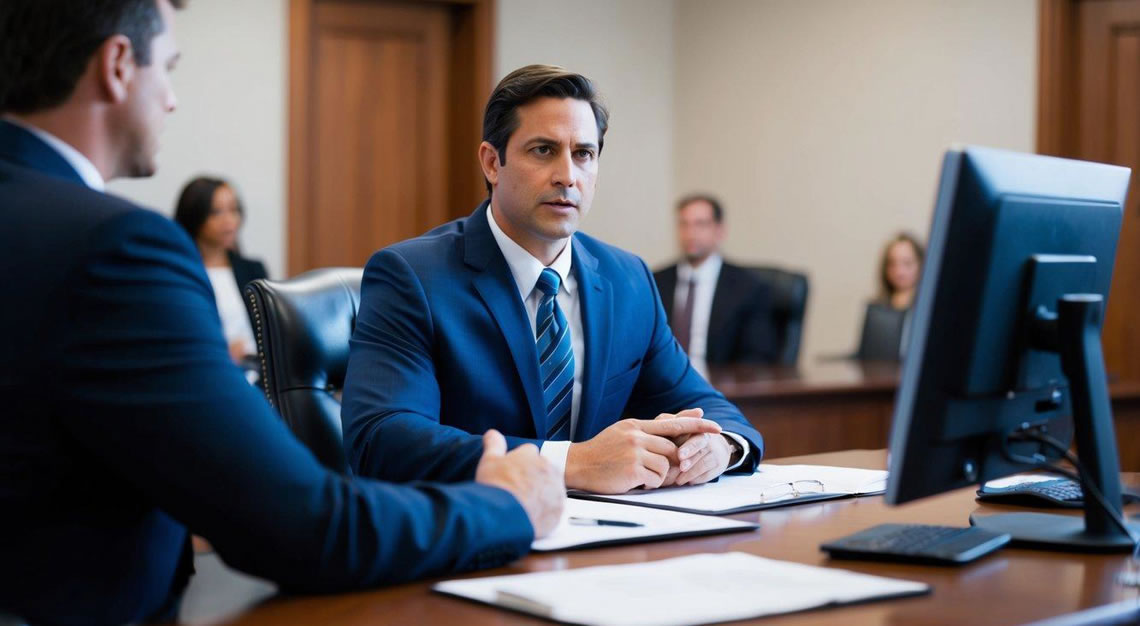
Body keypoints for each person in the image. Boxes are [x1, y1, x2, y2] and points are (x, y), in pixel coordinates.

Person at [0, 2, 563, 624]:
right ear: (117, 65)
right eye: (170, 68)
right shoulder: (114, 248)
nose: (171, 101)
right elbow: (301, 526)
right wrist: (505, 503)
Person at [341, 65, 764, 497]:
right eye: (543, 150)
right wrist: (571, 462)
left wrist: (721, 446)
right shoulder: (412, 275)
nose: (567, 175)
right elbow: (382, 440)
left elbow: (710, 407)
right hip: (472, 540)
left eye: (584, 153)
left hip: (609, 540)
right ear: (492, 162)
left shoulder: (627, 280)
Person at [653, 194, 778, 373]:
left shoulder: (749, 287)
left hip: (720, 390)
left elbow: (758, 356)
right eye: (684, 224)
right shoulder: (655, 282)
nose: (691, 233)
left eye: (700, 224)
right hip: (663, 387)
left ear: (720, 231)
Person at [174, 176, 268, 363]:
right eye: (216, 212)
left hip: (257, 373)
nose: (229, 221)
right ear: (195, 216)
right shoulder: (178, 273)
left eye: (233, 210)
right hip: (209, 370)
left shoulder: (253, 271)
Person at [877, 232, 924, 311]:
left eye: (907, 263)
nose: (899, 272)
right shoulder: (878, 307)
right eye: (892, 264)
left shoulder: (929, 308)